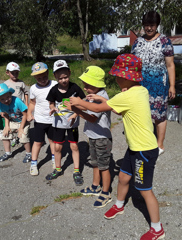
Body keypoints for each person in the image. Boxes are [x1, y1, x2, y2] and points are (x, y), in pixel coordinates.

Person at [69, 54, 165, 240]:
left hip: (144, 150)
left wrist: (79, 102)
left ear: (127, 77)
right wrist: (99, 98)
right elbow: (114, 106)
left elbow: (98, 109)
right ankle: (119, 205)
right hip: (135, 147)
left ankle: (157, 228)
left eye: (117, 76)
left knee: (145, 189)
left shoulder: (127, 96)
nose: (115, 78)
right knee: (122, 177)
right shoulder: (140, 91)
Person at [65, 66, 112, 206]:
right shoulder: (94, 95)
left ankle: (105, 192)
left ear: (97, 84)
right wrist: (76, 107)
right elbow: (87, 107)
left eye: (87, 85)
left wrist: (76, 110)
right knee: (95, 163)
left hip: (102, 138)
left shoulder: (101, 98)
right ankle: (95, 185)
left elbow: (92, 118)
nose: (85, 88)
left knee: (103, 166)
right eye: (84, 85)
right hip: (93, 136)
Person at [131, 10, 176, 156]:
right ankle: (145, 141)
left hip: (159, 86)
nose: (149, 28)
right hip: (140, 85)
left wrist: (172, 85)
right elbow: (132, 65)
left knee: (159, 115)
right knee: (142, 114)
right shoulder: (138, 42)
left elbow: (170, 65)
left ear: (157, 25)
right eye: (146, 25)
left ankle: (159, 144)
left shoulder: (164, 41)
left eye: (152, 25)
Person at [45, 60, 86, 186]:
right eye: (60, 78)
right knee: (57, 147)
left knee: (74, 146)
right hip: (58, 123)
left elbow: (83, 102)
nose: (63, 80)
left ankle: (76, 171)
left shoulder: (75, 88)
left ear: (69, 73)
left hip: (72, 123)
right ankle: (58, 169)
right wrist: (52, 107)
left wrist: (76, 113)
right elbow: (51, 102)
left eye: (66, 77)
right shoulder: (53, 90)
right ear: (55, 76)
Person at [27, 62, 57, 176]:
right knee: (38, 142)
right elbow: (32, 102)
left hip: (53, 119)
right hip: (39, 119)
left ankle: (55, 159)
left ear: (48, 73)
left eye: (44, 77)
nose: (42, 80)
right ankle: (34, 163)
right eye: (39, 78)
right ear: (34, 77)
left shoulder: (55, 84)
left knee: (52, 141)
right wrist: (29, 113)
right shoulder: (33, 88)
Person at [0, 83, 29, 162]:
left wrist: (21, 128)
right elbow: (6, 115)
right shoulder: (1, 105)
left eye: (8, 97)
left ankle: (29, 153)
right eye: (2, 99)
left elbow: (25, 115)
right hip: (12, 121)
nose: (6, 100)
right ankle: (8, 153)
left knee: (23, 137)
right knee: (5, 135)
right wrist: (7, 126)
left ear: (10, 94)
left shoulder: (17, 101)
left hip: (23, 121)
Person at [4, 62, 31, 163]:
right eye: (12, 73)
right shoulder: (5, 84)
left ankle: (28, 153)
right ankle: (8, 152)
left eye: (17, 73)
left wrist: (27, 104)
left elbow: (26, 93)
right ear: (7, 72)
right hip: (11, 110)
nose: (15, 75)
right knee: (7, 130)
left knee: (23, 131)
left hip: (21, 109)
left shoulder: (21, 83)